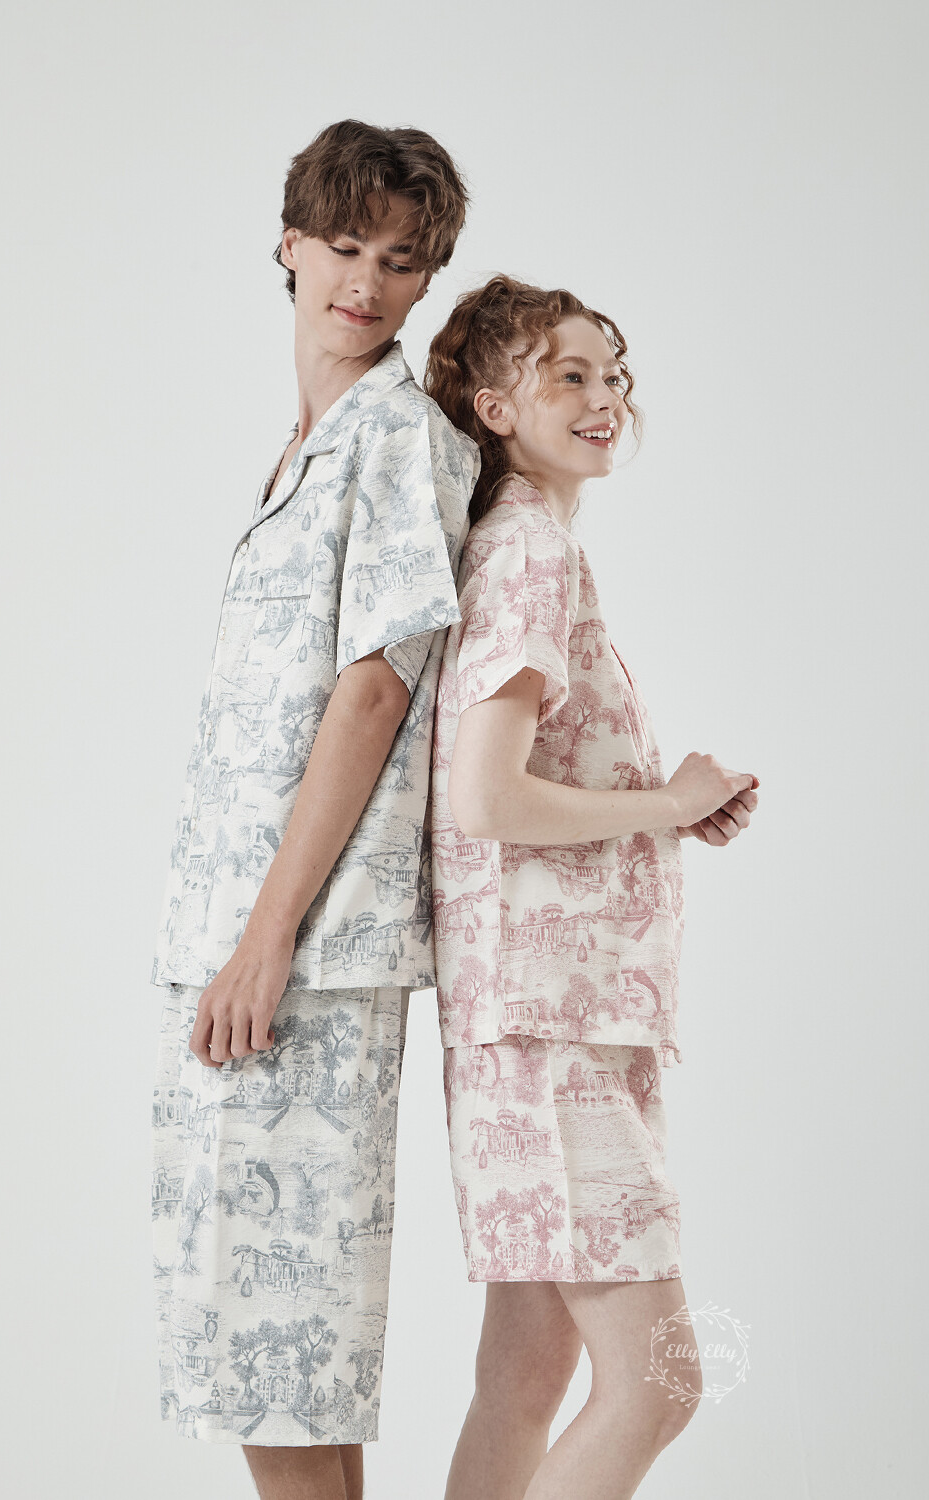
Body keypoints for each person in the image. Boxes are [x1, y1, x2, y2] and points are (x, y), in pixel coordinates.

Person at [149, 119, 479, 1500]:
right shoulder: (307, 447)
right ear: (289, 245)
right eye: (345, 246)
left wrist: (268, 936)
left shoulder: (399, 436)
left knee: (278, 1363)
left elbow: (375, 692)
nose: (365, 282)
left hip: (303, 957)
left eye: (399, 261)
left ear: (425, 281)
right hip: (237, 943)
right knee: (261, 1362)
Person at [425, 275, 760, 1500]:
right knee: (658, 1384)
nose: (604, 396)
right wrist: (663, 806)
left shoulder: (523, 544)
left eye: (612, 375)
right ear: (494, 404)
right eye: (568, 375)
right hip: (553, 1028)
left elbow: (512, 791)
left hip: (539, 1019)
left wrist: (660, 810)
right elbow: (485, 798)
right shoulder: (530, 556)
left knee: (525, 1374)